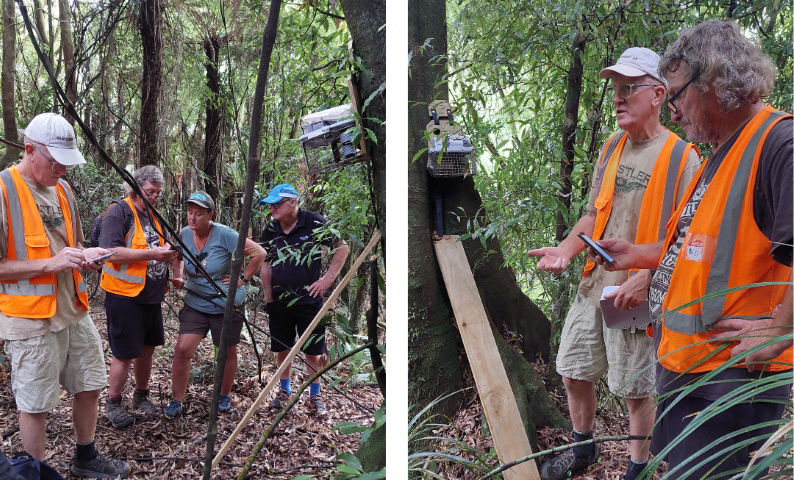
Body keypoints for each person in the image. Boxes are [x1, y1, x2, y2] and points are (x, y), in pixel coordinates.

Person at [590, 20, 792, 478]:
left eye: (677, 95)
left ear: (714, 82)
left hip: (730, 381)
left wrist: (781, 327)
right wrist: (640, 257)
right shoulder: (724, 149)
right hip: (688, 373)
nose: (675, 113)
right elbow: (697, 248)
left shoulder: (778, 142)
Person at [527, 48, 701, 480]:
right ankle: (583, 450)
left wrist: (647, 277)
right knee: (573, 369)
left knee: (635, 390)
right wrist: (565, 250)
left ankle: (638, 468)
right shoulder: (612, 146)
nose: (618, 98)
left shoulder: (684, 158)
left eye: (629, 89)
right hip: (594, 282)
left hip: (636, 292)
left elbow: (685, 239)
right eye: (615, 90)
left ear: (659, 94)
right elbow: (591, 213)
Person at [0, 112, 129, 478]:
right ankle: (35, 473)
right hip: (30, 318)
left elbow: (67, 246)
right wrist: (50, 264)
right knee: (37, 403)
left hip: (73, 308)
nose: (62, 171)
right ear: (29, 150)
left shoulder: (62, 188)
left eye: (66, 164)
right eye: (56, 163)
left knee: (89, 383)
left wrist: (82, 257)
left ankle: (85, 457)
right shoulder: (4, 190)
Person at [163, 191, 266, 418]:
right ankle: (177, 401)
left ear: (210, 215)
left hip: (225, 304)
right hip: (196, 302)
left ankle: (224, 394)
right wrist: (178, 275)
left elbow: (259, 252)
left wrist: (244, 278)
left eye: (198, 214)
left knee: (227, 351)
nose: (192, 218)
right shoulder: (184, 234)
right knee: (182, 351)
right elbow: (178, 257)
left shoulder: (225, 235)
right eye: (190, 213)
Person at [258, 184, 350, 415]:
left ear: (292, 203)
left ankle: (315, 394)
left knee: (313, 347)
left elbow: (342, 248)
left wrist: (326, 281)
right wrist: (269, 296)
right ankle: (284, 390)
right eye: (271, 205)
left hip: (309, 300)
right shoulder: (271, 228)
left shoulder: (313, 221)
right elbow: (265, 261)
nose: (273, 209)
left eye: (277, 204)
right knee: (283, 346)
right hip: (279, 299)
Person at [99, 165, 179, 428]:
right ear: (136, 188)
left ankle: (141, 396)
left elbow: (168, 246)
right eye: (150, 192)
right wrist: (153, 255)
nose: (155, 197)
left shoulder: (155, 216)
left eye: (158, 193)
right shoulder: (119, 212)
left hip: (151, 297)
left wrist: (172, 261)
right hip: (125, 296)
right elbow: (111, 252)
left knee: (147, 349)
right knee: (124, 352)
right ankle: (113, 402)